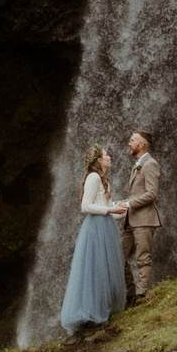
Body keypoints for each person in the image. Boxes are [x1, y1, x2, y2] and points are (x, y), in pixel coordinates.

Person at [58, 143, 130, 334]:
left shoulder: (103, 179)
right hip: (96, 230)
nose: (110, 157)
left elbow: (105, 208)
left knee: (104, 272)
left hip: (105, 228)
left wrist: (121, 209)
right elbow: (86, 206)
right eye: (107, 155)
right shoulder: (92, 177)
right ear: (99, 160)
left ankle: (101, 313)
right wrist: (111, 209)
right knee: (95, 271)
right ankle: (92, 315)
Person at [119, 129, 161, 303]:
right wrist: (121, 204)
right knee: (118, 256)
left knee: (143, 257)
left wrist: (129, 204)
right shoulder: (137, 164)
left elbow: (152, 193)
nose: (129, 143)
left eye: (132, 140)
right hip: (131, 220)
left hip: (144, 219)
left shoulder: (151, 164)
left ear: (142, 144)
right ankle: (130, 292)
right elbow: (137, 193)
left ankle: (140, 294)